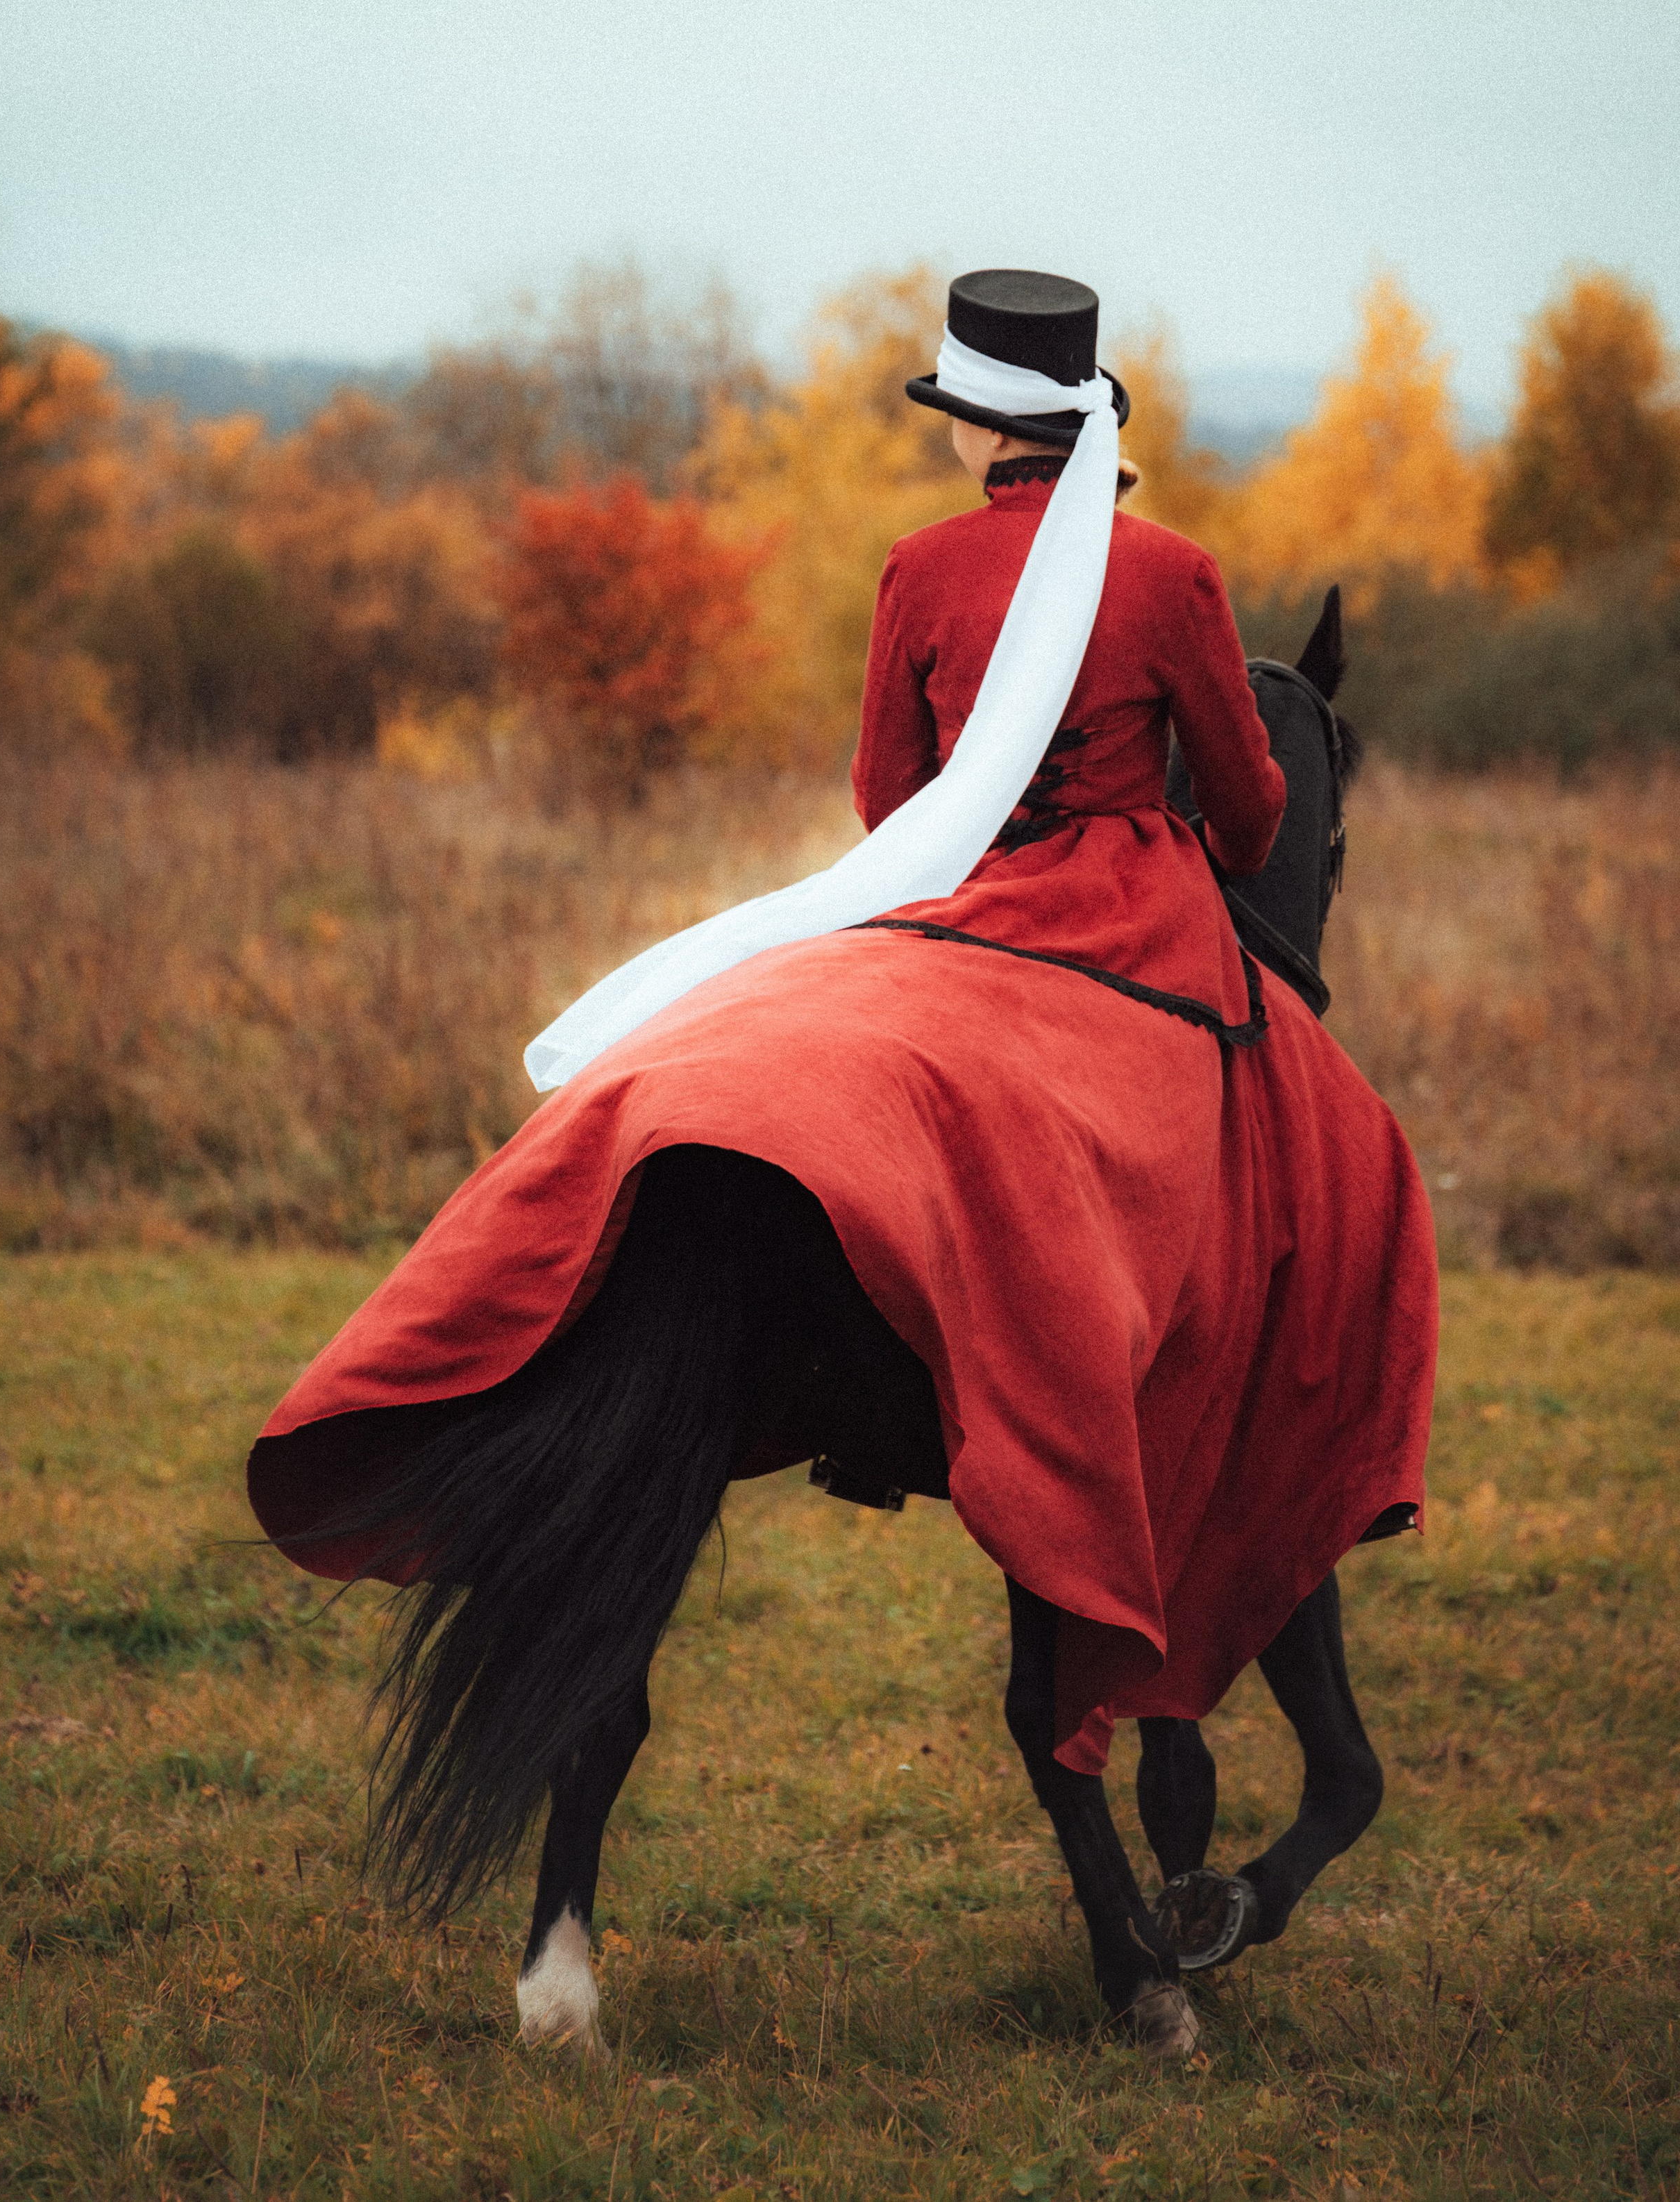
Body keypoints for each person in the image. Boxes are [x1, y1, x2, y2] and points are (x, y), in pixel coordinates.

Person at [249, 269, 1436, 1776]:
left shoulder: (917, 571)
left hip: (956, 908)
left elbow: (888, 801)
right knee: (1323, 1152)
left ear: (970, 437)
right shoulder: (1178, 577)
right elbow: (1257, 806)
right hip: (1138, 928)